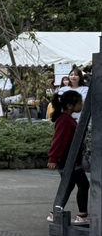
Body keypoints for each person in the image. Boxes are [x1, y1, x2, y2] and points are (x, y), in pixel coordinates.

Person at [47, 90, 89, 225]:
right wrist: (53, 158)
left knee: (69, 185)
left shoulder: (67, 119)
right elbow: (59, 141)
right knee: (82, 184)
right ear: (70, 106)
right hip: (68, 160)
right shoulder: (65, 121)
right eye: (79, 103)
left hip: (70, 160)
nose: (81, 105)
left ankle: (56, 212)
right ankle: (82, 215)